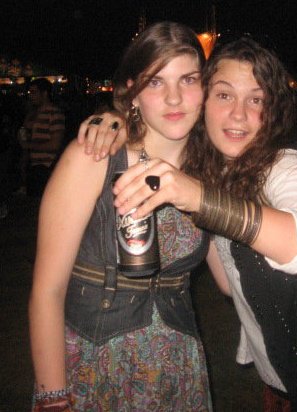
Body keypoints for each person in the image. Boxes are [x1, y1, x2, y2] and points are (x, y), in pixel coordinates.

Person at [79, 38, 297, 410]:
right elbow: (229, 282)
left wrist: (199, 198)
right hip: (284, 375)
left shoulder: (287, 164)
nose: (238, 114)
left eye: (256, 100)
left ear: (272, 110)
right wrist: (117, 121)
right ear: (202, 102)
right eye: (224, 95)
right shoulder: (215, 171)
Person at [29, 21, 212, 411]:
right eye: (156, 82)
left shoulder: (208, 173)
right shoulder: (95, 157)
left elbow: (230, 282)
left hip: (177, 366)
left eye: (188, 79)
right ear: (133, 92)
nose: (175, 98)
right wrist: (53, 398)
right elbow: (47, 291)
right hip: (97, 363)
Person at [19, 78, 65, 196]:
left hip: (46, 167)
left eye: (34, 92)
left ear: (44, 94)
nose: (30, 96)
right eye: (30, 92)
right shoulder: (33, 113)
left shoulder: (54, 113)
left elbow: (55, 144)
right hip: (33, 166)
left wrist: (28, 145)